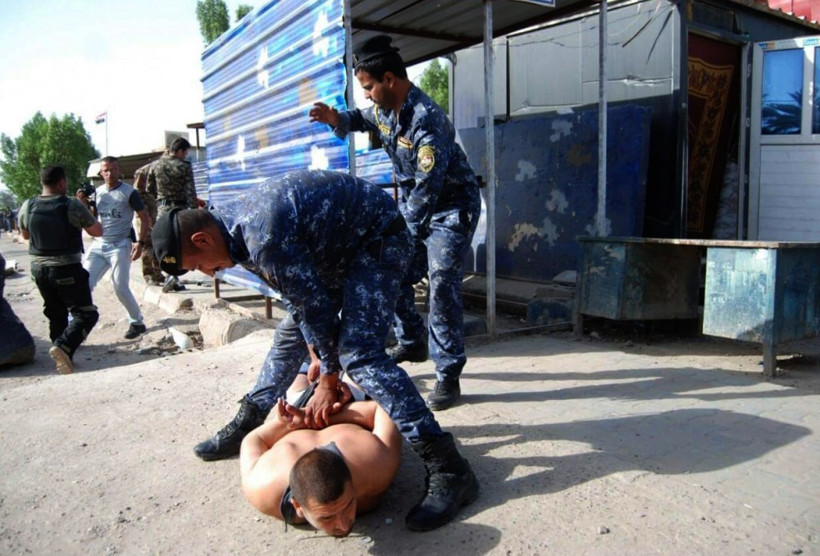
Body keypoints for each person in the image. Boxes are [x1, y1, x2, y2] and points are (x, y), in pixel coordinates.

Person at [152, 169, 479, 531]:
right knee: (289, 336)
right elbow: (302, 304)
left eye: (199, 264)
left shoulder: (261, 236)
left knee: (360, 353)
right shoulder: (230, 231)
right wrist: (320, 360)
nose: (208, 273)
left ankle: (450, 467)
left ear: (201, 239)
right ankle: (251, 417)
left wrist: (328, 376)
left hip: (376, 240)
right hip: (336, 250)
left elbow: (317, 310)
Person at [309, 34, 482, 411]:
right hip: (418, 206)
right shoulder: (386, 111)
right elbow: (362, 118)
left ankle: (448, 373)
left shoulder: (427, 119)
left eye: (368, 87)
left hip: (451, 209)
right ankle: (413, 339)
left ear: (389, 79)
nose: (367, 95)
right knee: (393, 268)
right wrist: (336, 119)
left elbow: (427, 188)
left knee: (442, 281)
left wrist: (398, 233)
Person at [240, 387, 402, 537]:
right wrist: (305, 419)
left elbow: (382, 409)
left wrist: (305, 419)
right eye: (326, 517)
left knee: (351, 382)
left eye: (349, 505)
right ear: (298, 507)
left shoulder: (374, 466)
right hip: (302, 415)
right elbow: (253, 439)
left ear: (353, 487)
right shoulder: (263, 488)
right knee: (299, 385)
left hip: (341, 409)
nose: (344, 525)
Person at [17, 166, 103, 374]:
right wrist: (85, 208)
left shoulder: (28, 205)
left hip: (39, 270)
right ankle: (63, 346)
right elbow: (97, 231)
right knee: (86, 315)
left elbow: (26, 235)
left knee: (56, 313)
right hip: (66, 269)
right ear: (62, 183)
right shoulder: (72, 205)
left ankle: (62, 354)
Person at [80, 156, 151, 340]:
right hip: (99, 244)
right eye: (106, 170)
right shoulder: (98, 192)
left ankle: (137, 322)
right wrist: (83, 204)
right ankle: (74, 325)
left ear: (119, 171)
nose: (109, 173)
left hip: (120, 244)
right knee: (83, 284)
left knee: (120, 285)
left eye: (113, 170)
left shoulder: (129, 193)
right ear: (101, 173)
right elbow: (92, 219)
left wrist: (140, 243)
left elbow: (145, 218)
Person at [146, 137, 198, 293]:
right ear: (180, 151)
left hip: (162, 209)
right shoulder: (184, 167)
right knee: (179, 244)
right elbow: (190, 192)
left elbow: (149, 188)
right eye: (185, 153)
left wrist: (161, 197)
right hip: (180, 211)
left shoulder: (155, 165)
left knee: (164, 244)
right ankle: (173, 275)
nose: (185, 156)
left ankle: (166, 274)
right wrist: (194, 212)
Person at [133, 161, 165, 286]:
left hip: (154, 214)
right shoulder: (142, 174)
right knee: (147, 246)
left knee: (156, 246)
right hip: (143, 218)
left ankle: (158, 273)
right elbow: (139, 201)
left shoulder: (152, 189)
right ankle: (148, 274)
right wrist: (147, 217)